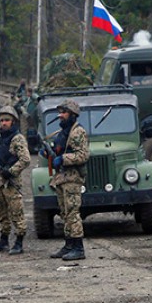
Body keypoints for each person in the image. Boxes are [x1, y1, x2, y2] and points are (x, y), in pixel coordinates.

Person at [0, 105, 30, 255]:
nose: (3, 123)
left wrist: (11, 171)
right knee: (1, 212)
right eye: (1, 120)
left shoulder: (17, 139)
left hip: (11, 183)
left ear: (13, 122)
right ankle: (3, 240)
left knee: (16, 212)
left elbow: (25, 159)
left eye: (7, 120)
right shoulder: (1, 139)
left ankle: (19, 242)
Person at [47, 99, 89, 260]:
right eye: (60, 112)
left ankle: (78, 248)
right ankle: (69, 245)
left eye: (64, 112)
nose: (60, 116)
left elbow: (83, 155)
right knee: (65, 213)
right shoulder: (63, 133)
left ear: (72, 114)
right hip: (62, 177)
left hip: (72, 178)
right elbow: (59, 150)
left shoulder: (77, 132)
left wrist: (63, 158)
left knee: (72, 212)